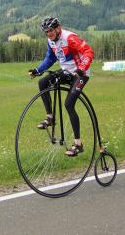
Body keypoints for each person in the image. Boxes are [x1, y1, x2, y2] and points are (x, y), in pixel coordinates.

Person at [28, 17, 94, 157]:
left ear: (58, 28)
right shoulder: (51, 41)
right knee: (43, 83)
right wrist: (37, 70)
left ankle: (78, 144)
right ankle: (50, 117)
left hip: (80, 74)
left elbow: (88, 52)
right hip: (66, 73)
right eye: (46, 32)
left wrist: (82, 68)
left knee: (69, 104)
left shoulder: (69, 38)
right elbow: (50, 59)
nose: (49, 34)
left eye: (51, 30)